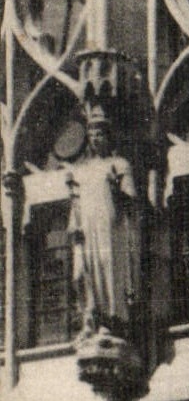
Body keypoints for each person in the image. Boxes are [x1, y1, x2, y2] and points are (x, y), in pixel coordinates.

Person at [67, 108, 140, 339]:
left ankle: (112, 319)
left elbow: (130, 199)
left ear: (109, 137)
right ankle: (90, 318)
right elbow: (75, 204)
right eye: (92, 134)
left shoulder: (119, 164)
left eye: (100, 133)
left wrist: (116, 189)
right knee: (82, 273)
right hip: (87, 228)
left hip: (110, 225)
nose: (95, 138)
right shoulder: (81, 171)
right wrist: (74, 226)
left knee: (109, 269)